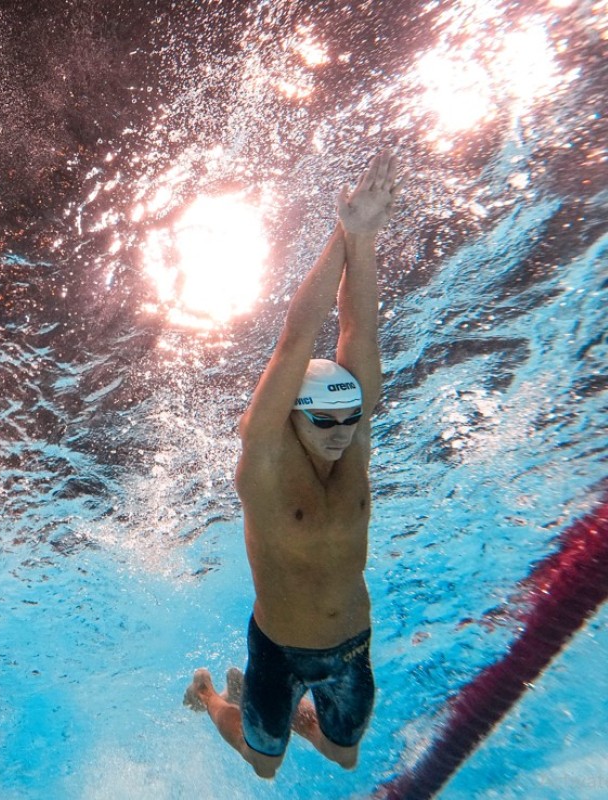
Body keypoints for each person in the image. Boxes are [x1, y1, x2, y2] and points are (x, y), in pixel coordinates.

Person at [184, 152, 398, 778]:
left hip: (352, 648)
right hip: (280, 651)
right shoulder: (266, 460)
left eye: (351, 419)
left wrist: (364, 238)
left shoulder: (352, 435)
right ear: (293, 417)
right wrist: (340, 236)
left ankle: (309, 721)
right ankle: (210, 696)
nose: (341, 434)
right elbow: (295, 341)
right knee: (264, 765)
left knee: (344, 755)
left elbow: (359, 330)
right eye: (323, 421)